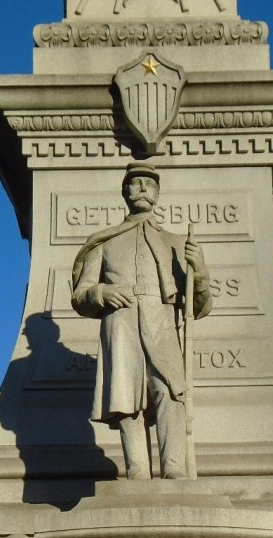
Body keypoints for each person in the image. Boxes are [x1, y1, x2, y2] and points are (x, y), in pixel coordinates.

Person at [71, 162, 212, 479]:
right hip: (121, 325)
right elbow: (80, 295)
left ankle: (173, 467)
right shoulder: (105, 242)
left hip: (161, 323)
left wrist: (199, 270)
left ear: (158, 193)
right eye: (135, 183)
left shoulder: (176, 243)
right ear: (124, 191)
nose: (143, 188)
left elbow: (201, 306)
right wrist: (102, 292)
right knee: (126, 397)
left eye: (149, 184)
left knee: (169, 391)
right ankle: (137, 469)